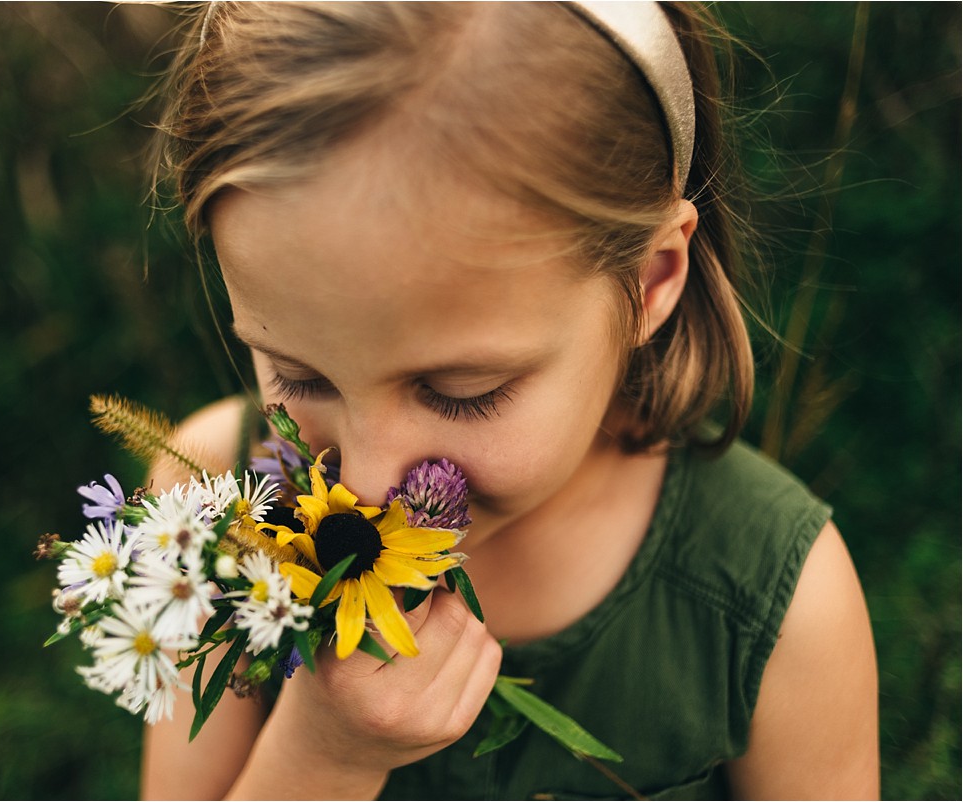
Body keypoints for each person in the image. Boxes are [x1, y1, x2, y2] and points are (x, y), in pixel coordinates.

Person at [138, 3, 879, 799]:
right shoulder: (208, 499)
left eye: (462, 393)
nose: (368, 481)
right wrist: (323, 757)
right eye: (300, 375)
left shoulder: (775, 601)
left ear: (652, 278)